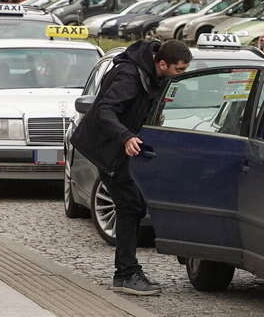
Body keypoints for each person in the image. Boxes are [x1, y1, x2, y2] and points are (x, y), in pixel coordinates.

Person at [70, 40, 191, 295]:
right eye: (179, 70)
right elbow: (105, 110)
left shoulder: (151, 73)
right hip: (106, 148)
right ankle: (125, 274)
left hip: (119, 147)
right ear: (162, 63)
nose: (182, 74)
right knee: (131, 206)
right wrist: (125, 136)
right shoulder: (130, 76)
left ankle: (126, 272)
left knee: (132, 206)